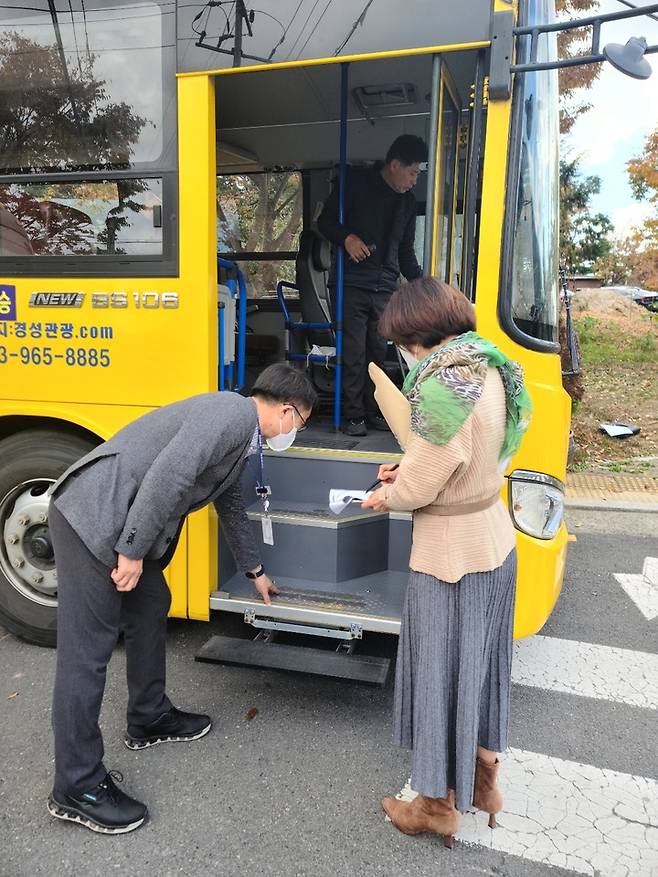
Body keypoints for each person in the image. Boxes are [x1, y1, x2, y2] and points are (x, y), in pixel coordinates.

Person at [46, 364, 317, 835]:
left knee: (151, 606)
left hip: (125, 524)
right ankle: (76, 785)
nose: (293, 432)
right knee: (87, 654)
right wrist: (131, 551)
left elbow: (229, 504)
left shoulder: (238, 435)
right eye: (301, 423)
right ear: (288, 410)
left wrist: (255, 571)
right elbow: (169, 476)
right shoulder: (232, 413)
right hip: (93, 517)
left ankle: (148, 717)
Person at [362, 278, 532, 847]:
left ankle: (435, 804)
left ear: (417, 337)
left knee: (437, 676)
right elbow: (469, 456)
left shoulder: (442, 388)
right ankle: (484, 780)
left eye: (401, 344)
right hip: (494, 539)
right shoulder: (491, 369)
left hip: (450, 556)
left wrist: (387, 491)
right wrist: (410, 472)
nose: (401, 355)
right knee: (480, 669)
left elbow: (418, 486)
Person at [317, 134, 427, 437]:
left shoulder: (407, 203)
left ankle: (374, 409)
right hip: (351, 282)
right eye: (413, 172)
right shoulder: (354, 184)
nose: (414, 180)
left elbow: (405, 252)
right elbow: (324, 223)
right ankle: (352, 416)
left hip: (385, 286)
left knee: (378, 350)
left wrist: (422, 287)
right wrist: (347, 238)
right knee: (353, 350)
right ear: (394, 165)